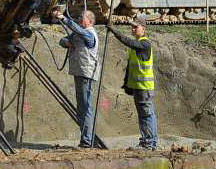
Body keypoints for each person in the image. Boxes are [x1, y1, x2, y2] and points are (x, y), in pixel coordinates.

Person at [108, 14, 157, 150]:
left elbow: (130, 42)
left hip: (145, 87)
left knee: (147, 115)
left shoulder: (145, 44)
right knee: (143, 115)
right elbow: (131, 67)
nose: (133, 29)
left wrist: (115, 31)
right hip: (138, 87)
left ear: (144, 28)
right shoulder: (137, 46)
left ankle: (149, 143)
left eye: (136, 27)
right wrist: (127, 85)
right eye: (132, 27)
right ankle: (146, 141)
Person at [53, 9, 99, 148]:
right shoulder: (79, 34)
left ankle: (87, 140)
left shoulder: (89, 34)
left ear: (90, 21)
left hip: (86, 73)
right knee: (81, 108)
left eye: (82, 17)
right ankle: (85, 139)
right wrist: (68, 43)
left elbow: (78, 30)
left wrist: (64, 18)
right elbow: (62, 40)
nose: (79, 19)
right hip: (79, 72)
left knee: (85, 108)